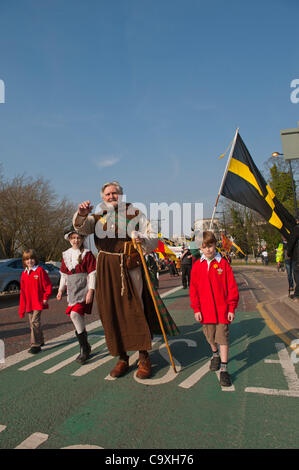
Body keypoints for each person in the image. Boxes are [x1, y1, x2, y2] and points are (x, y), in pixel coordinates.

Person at [73, 181, 179, 379]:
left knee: (134, 309)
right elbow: (82, 228)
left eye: (115, 193)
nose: (111, 196)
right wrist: (81, 213)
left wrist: (143, 240)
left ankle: (144, 356)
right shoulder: (96, 216)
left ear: (121, 195)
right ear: (103, 197)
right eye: (107, 194)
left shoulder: (135, 214)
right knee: (110, 310)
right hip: (105, 266)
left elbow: (153, 236)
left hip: (129, 265)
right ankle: (122, 357)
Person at [189, 231, 239, 387]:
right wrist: (196, 309)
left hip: (222, 311)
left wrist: (231, 308)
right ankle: (215, 355)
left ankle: (224, 369)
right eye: (204, 247)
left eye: (210, 245)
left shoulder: (223, 264)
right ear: (200, 249)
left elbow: (232, 287)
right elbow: (194, 289)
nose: (208, 249)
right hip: (205, 311)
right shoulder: (197, 266)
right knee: (210, 338)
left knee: (222, 338)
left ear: (215, 245)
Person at [57, 230, 96, 364]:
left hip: (84, 287)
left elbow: (92, 274)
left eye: (78, 238)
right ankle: (85, 345)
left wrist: (91, 290)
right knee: (77, 316)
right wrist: (61, 289)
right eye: (73, 238)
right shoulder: (66, 254)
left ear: (82, 239)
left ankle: (84, 348)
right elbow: (64, 275)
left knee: (74, 314)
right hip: (72, 289)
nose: (76, 240)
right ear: (69, 239)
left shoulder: (87, 254)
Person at [19, 249, 52, 354]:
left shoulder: (40, 271)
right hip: (29, 304)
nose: (30, 261)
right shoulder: (24, 274)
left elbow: (48, 285)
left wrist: (46, 297)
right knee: (32, 323)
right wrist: (21, 309)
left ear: (35, 260)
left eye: (32, 258)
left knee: (34, 322)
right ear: (24, 261)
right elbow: (23, 292)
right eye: (27, 259)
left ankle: (35, 345)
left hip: (38, 302)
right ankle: (41, 340)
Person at [287, 220, 299, 302]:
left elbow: (292, 241)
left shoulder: (296, 228)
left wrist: (289, 253)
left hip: (297, 257)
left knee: (297, 276)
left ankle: (297, 295)